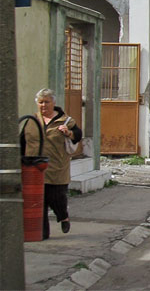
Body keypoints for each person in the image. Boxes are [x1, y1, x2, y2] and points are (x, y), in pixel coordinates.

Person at [23, 88, 82, 239]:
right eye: (40, 102)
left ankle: (63, 216)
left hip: (57, 167)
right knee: (39, 201)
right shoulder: (31, 121)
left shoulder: (66, 120)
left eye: (46, 102)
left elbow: (78, 135)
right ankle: (42, 233)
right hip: (35, 168)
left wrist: (68, 133)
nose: (43, 105)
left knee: (56, 197)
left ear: (53, 103)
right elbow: (21, 141)